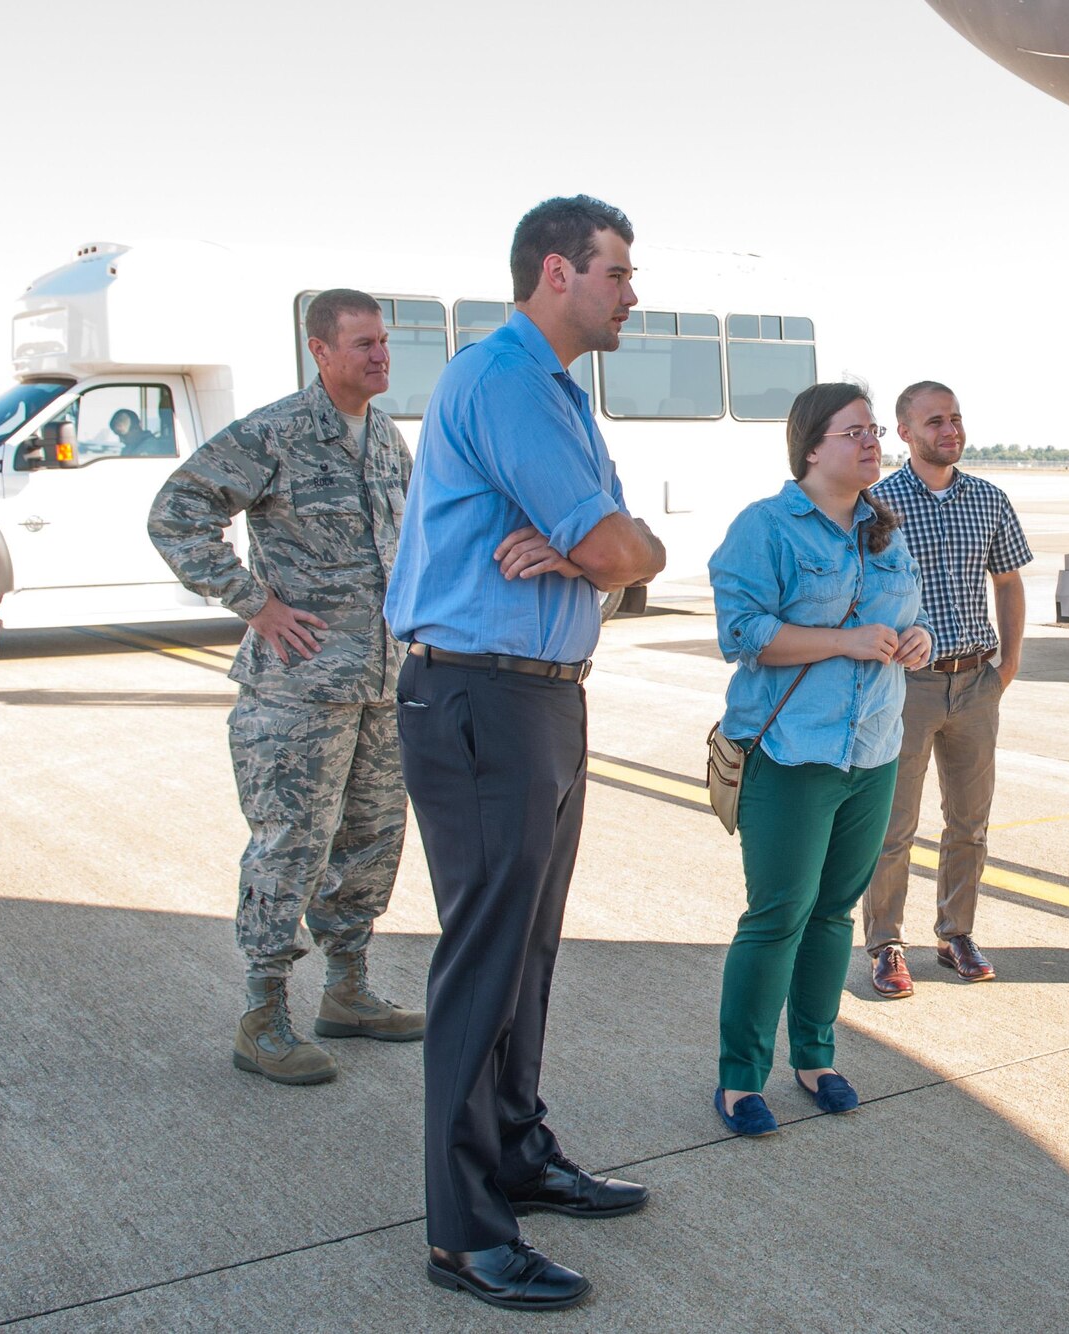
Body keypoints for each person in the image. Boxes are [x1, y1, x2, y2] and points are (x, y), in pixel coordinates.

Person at [386, 196, 666, 1313]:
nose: (630, 292)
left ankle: (517, 1150)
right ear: (559, 271)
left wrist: (597, 550)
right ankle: (463, 1229)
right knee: (484, 960)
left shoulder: (553, 392)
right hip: (481, 697)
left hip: (539, 696)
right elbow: (616, 545)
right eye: (618, 272)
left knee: (529, 953)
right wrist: (596, 549)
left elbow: (638, 548)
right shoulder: (504, 379)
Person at [148, 287, 424, 1087]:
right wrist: (255, 604)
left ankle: (349, 991)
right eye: (364, 343)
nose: (380, 356)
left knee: (371, 842)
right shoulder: (274, 433)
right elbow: (177, 513)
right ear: (321, 350)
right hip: (298, 693)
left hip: (379, 687)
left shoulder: (384, 439)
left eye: (383, 343)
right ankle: (263, 1014)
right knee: (290, 847)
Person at [709, 382, 933, 1135]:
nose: (873, 442)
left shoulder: (884, 527)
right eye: (855, 431)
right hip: (792, 753)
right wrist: (842, 639)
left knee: (834, 915)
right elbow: (741, 633)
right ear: (812, 447)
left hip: (872, 753)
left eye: (875, 431)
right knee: (777, 916)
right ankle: (740, 1078)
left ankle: (815, 1057)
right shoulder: (767, 528)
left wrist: (919, 640)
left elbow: (913, 615)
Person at [861, 381, 1032, 997]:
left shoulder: (988, 499)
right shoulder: (875, 504)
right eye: (935, 421)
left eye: (955, 419)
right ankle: (885, 944)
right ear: (904, 433)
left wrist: (1007, 664)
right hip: (903, 689)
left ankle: (956, 932)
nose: (949, 430)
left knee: (970, 822)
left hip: (976, 682)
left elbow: (1008, 581)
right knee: (892, 825)